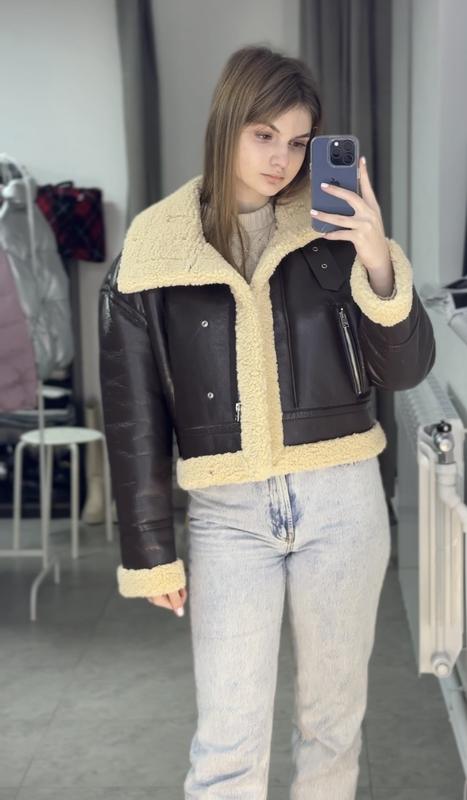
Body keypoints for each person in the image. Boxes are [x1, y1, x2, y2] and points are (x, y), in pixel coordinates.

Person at [98, 44, 435, 800]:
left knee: (331, 730)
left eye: (298, 141)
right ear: (226, 124)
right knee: (226, 744)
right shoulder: (152, 249)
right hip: (228, 517)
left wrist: (377, 258)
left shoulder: (332, 233)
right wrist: (150, 552)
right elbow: (132, 413)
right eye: (263, 135)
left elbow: (405, 370)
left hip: (342, 504)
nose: (281, 159)